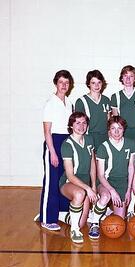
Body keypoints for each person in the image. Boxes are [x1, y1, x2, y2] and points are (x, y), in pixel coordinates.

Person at [36, 70, 74, 231]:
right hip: (54, 143)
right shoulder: (50, 103)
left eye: (67, 82)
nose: (64, 85)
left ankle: (62, 212)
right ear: (56, 83)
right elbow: (47, 131)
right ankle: (47, 217)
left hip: (66, 142)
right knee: (52, 181)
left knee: (63, 180)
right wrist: (52, 152)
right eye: (61, 82)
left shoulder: (69, 103)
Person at [111, 65, 135, 218]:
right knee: (126, 168)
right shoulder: (116, 97)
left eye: (131, 76)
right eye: (125, 76)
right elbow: (115, 120)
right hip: (124, 137)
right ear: (121, 78)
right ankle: (125, 200)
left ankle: (133, 203)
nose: (128, 79)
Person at [88, 116, 135, 239]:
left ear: (124, 129)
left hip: (123, 183)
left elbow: (131, 167)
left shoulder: (131, 144)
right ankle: (94, 221)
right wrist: (112, 190)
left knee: (119, 222)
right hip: (106, 182)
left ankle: (103, 211)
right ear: (108, 130)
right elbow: (101, 175)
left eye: (119, 128)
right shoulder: (103, 147)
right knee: (106, 196)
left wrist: (129, 190)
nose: (116, 132)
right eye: (113, 128)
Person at [59, 112, 97, 243]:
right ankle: (74, 230)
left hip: (86, 184)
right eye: (77, 123)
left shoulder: (90, 139)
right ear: (71, 125)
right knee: (80, 194)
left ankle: (61, 216)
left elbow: (92, 163)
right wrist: (88, 189)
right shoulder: (67, 145)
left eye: (84, 123)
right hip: (69, 182)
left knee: (82, 222)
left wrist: (93, 186)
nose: (81, 126)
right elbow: (70, 175)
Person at [75, 69, 111, 150]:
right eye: (93, 83)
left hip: (104, 138)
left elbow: (109, 121)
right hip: (89, 137)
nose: (96, 85)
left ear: (102, 83)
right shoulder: (81, 101)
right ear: (88, 84)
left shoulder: (106, 100)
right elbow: (78, 124)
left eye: (99, 82)